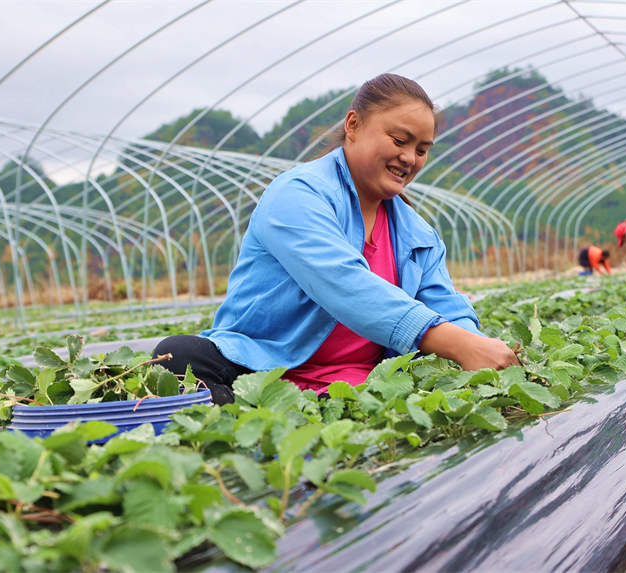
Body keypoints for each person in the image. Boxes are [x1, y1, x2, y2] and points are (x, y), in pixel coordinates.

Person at [153, 73, 519, 404]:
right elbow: (344, 283)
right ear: (353, 125)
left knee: (412, 390)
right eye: (399, 140)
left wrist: (476, 345)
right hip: (262, 367)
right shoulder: (298, 195)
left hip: (355, 381)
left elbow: (447, 305)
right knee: (178, 355)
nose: (409, 158)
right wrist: (456, 343)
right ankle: (253, 414)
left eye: (422, 149)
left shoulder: (417, 234)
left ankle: (299, 415)